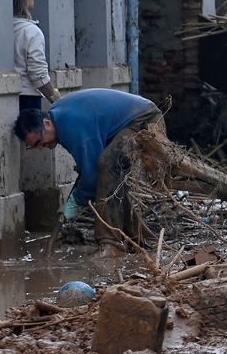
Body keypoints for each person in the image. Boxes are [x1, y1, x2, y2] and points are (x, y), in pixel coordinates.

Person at [14, 88, 164, 244]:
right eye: (34, 146)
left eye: (39, 142)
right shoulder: (58, 117)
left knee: (107, 166)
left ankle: (110, 244)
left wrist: (75, 201)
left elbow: (93, 178)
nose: (40, 148)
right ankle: (140, 238)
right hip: (134, 119)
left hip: (145, 121)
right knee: (112, 179)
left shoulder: (70, 125)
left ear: (46, 123)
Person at [12, 0, 61, 111]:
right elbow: (38, 74)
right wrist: (56, 98)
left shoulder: (2, 30)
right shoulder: (32, 32)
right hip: (28, 99)